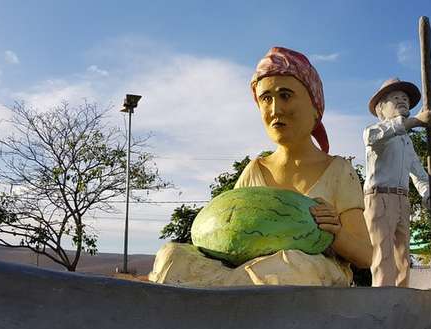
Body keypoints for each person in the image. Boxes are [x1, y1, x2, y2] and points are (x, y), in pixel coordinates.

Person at [148, 47, 372, 287]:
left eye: (286, 95)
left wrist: (335, 233)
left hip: (308, 278)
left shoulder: (338, 171)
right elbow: (227, 234)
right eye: (266, 98)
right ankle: (233, 291)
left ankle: (228, 293)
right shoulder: (254, 170)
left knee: (293, 267)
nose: (275, 109)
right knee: (170, 258)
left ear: (315, 108)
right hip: (245, 275)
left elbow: (366, 256)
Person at [363, 77, 431, 288]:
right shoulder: (376, 132)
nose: (403, 101)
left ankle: (401, 303)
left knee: (403, 258)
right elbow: (372, 138)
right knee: (383, 256)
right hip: (379, 198)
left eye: (405, 98)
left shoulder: (405, 141)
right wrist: (417, 121)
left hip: (402, 201)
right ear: (381, 109)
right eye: (395, 98)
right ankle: (383, 307)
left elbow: (419, 175)